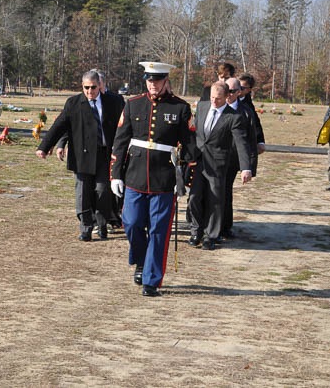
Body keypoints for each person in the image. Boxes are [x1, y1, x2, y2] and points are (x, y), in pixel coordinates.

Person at [110, 62, 194, 297]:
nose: (153, 85)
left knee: (159, 231)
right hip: (134, 175)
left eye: (157, 80)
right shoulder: (133, 104)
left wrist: (186, 179)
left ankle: (151, 280)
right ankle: (141, 260)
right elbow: (120, 141)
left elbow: (191, 147)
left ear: (165, 81)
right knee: (132, 222)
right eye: (149, 80)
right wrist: (115, 175)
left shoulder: (180, 108)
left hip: (164, 179)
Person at [37, 69, 124, 241]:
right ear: (82, 86)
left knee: (102, 191)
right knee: (83, 193)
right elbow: (59, 125)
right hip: (82, 156)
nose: (90, 91)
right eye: (86, 88)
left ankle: (102, 225)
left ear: (99, 85)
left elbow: (124, 125)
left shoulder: (113, 102)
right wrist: (45, 146)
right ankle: (85, 228)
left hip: (105, 155)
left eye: (93, 87)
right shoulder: (74, 103)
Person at [187, 81, 252, 251]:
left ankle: (211, 236)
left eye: (218, 99)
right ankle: (196, 231)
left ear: (227, 97)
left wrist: (246, 168)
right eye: (212, 98)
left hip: (218, 164)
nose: (214, 102)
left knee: (215, 200)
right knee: (194, 197)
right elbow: (194, 132)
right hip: (199, 162)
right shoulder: (202, 107)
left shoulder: (234, 116)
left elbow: (241, 143)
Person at [220, 77, 258, 239]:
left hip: (233, 159)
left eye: (232, 91)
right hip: (214, 158)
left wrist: (249, 166)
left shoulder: (246, 112)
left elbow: (251, 139)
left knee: (225, 191)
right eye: (226, 91)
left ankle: (225, 227)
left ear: (239, 92)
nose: (228, 94)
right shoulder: (216, 107)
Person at [238, 73, 266, 155]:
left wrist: (260, 141)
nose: (237, 89)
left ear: (248, 90)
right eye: (237, 85)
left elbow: (255, 122)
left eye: (241, 88)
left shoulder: (248, 104)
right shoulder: (225, 99)